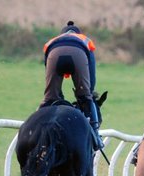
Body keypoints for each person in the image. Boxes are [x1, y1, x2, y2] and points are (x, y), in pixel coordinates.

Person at [41, 21, 104, 151]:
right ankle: (96, 135)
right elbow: (91, 73)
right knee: (86, 98)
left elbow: (46, 69)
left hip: (54, 53)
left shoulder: (53, 41)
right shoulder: (85, 40)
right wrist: (87, 93)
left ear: (62, 34)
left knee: (49, 98)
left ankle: (38, 131)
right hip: (78, 54)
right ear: (78, 33)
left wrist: (55, 95)